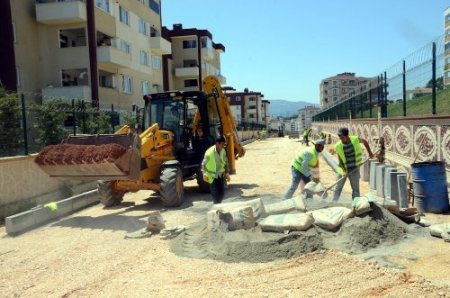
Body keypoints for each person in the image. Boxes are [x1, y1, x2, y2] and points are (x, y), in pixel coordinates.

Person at [332, 127, 374, 201]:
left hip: (354, 169)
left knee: (356, 189)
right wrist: (344, 171)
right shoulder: (338, 146)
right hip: (342, 169)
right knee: (338, 188)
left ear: (347, 136)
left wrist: (369, 152)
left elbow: (364, 141)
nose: (340, 139)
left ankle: (356, 204)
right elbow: (340, 161)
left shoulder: (355, 139)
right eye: (339, 137)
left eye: (342, 137)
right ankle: (333, 203)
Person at [202, 135, 230, 204]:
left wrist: (227, 173)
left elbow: (225, 162)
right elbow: (203, 164)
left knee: (222, 193)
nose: (223, 146)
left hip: (220, 175)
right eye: (222, 144)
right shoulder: (209, 153)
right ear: (217, 143)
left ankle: (218, 206)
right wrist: (204, 174)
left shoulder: (223, 151)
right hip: (211, 176)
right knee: (215, 194)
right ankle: (217, 209)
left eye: (224, 144)